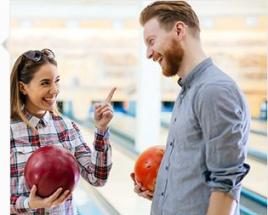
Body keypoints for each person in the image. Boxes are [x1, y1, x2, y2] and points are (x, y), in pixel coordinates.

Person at [131, 1, 250, 215]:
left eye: (151, 41)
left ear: (179, 30)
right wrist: (164, 191)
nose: (149, 53)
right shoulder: (189, 90)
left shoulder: (213, 90)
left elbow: (226, 184)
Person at [10, 48, 116, 214]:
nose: (54, 90)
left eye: (56, 81)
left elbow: (97, 178)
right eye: (45, 83)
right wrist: (28, 203)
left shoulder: (67, 128)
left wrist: (101, 129)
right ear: (23, 87)